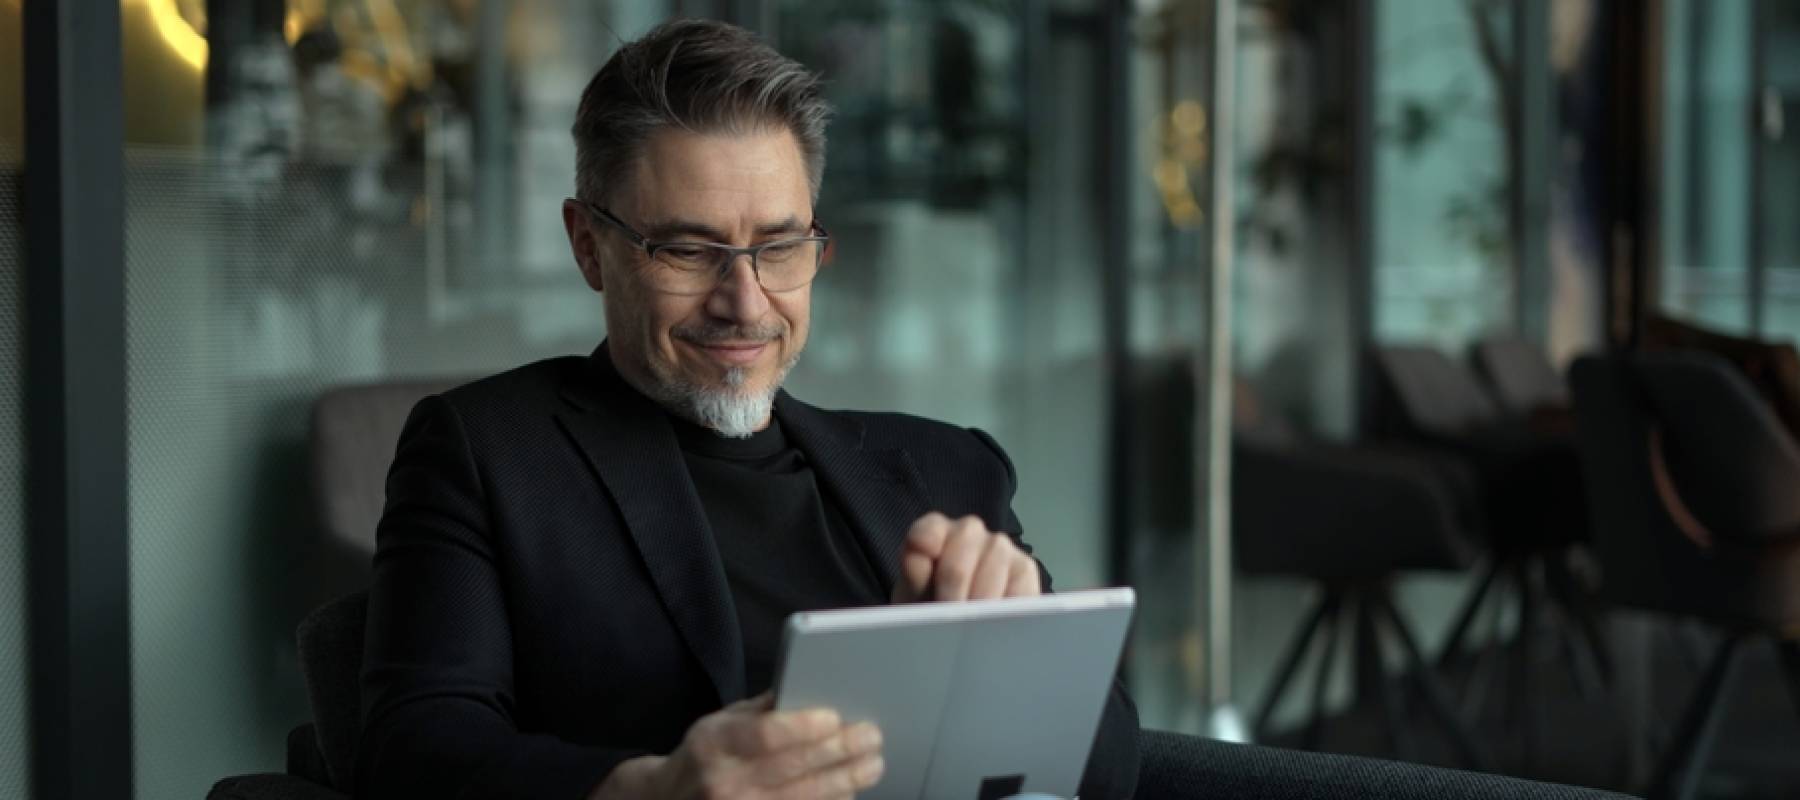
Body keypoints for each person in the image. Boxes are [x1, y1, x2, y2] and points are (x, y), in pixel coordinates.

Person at [357, 19, 1140, 800]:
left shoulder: (951, 472)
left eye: (779, 246)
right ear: (589, 246)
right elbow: (415, 751)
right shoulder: (489, 453)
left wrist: (1024, 645)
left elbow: (1113, 770)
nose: (745, 301)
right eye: (690, 251)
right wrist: (657, 791)